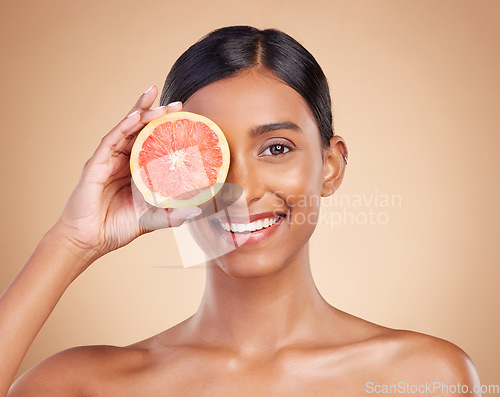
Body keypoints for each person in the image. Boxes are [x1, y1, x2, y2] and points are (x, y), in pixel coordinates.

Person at [1, 26, 481, 396]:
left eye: (275, 148)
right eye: (210, 154)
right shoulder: (82, 384)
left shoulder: (424, 376)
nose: (241, 189)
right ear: (166, 171)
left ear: (331, 166)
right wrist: (71, 241)